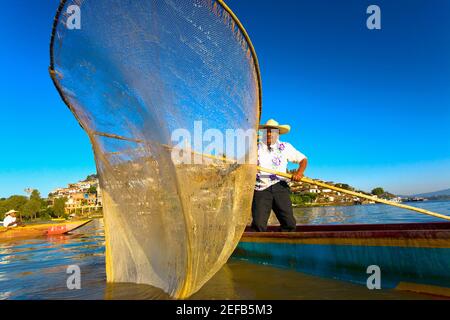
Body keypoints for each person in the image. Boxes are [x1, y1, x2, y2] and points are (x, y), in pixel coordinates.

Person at [251, 119, 308, 232]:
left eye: (272, 131)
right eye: (266, 131)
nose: (268, 134)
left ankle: (287, 242)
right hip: (260, 188)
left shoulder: (285, 147)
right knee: (258, 224)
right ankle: (259, 244)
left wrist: (299, 173)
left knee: (289, 222)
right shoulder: (254, 148)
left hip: (280, 186)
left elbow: (303, 159)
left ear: (277, 133)